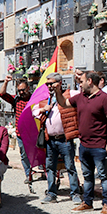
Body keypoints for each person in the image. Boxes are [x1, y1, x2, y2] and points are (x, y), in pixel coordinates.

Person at [55, 71, 107, 214]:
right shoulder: (80, 97)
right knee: (87, 176)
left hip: (100, 145)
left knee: (104, 176)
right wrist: (58, 91)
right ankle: (87, 202)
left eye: (81, 81)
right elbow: (64, 103)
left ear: (90, 81)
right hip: (84, 145)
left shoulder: (105, 98)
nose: (79, 84)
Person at [33, 73, 82, 205]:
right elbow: (34, 112)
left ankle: (75, 193)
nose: (49, 86)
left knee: (70, 166)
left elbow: (82, 95)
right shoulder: (45, 99)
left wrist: (79, 80)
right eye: (47, 84)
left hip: (65, 139)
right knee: (50, 168)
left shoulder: (69, 94)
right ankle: (51, 194)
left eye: (52, 83)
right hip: (50, 139)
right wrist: (43, 109)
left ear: (60, 83)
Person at [0, 74, 34, 182]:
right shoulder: (16, 100)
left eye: (23, 90)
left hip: (33, 132)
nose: (21, 92)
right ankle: (28, 175)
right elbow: (2, 94)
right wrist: (6, 82)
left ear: (28, 88)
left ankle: (43, 172)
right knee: (24, 155)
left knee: (37, 153)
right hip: (21, 133)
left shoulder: (34, 98)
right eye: (19, 91)